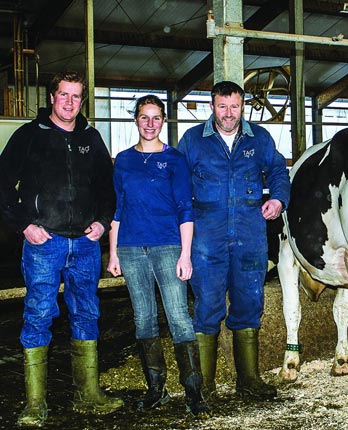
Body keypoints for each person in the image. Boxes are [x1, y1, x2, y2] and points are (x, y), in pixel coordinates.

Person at [0, 71, 123, 427]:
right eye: (64, 95)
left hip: (85, 244)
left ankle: (89, 393)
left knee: (87, 312)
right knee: (39, 313)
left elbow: (107, 189)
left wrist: (101, 222)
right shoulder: (28, 137)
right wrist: (24, 225)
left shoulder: (92, 138)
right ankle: (35, 402)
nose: (70, 103)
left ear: (82, 100)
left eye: (76, 96)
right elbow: (4, 185)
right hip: (45, 243)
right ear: (51, 97)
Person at [177, 80, 290, 401]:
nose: (229, 114)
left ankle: (249, 380)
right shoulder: (193, 141)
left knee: (249, 303)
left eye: (235, 107)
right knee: (207, 306)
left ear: (244, 107)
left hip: (249, 234)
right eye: (222, 106)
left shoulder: (260, 139)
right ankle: (206, 385)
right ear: (212, 107)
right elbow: (178, 185)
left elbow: (279, 171)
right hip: (206, 238)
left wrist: (279, 199)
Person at [106, 95, 209, 416]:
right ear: (135, 120)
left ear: (163, 121)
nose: (150, 124)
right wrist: (112, 253)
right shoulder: (122, 160)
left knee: (179, 316)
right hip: (131, 248)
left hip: (168, 247)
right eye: (144, 117)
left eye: (156, 118)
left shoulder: (175, 159)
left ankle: (194, 392)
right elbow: (117, 209)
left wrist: (186, 254)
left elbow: (185, 208)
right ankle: (156, 389)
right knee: (143, 317)